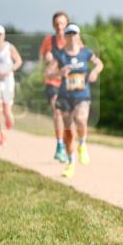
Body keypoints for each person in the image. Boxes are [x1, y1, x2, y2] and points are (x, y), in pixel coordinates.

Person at [47, 24, 104, 178]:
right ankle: (71, 163)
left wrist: (95, 71)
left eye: (74, 33)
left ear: (79, 35)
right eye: (69, 33)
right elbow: (48, 73)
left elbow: (99, 63)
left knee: (80, 118)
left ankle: (83, 145)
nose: (72, 36)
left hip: (82, 95)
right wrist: (59, 72)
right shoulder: (59, 55)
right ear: (65, 36)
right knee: (68, 131)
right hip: (65, 97)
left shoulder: (86, 53)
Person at [40, 11, 70, 162]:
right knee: (57, 111)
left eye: (62, 23)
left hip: (69, 83)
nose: (59, 26)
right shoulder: (48, 41)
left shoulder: (73, 40)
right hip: (52, 82)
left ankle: (67, 145)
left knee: (67, 117)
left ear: (67, 24)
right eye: (57, 23)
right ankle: (59, 147)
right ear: (53, 25)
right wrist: (47, 59)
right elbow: (44, 62)